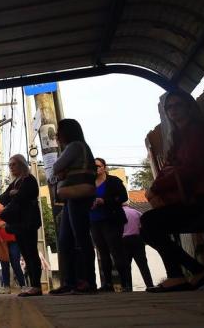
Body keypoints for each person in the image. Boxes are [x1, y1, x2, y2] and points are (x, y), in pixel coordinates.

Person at [141, 90, 204, 292]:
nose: (173, 110)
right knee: (148, 224)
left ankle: (181, 275)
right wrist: (154, 189)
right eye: (169, 107)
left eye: (178, 105)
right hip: (194, 200)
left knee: (150, 224)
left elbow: (191, 168)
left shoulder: (198, 132)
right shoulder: (178, 137)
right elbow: (169, 168)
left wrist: (157, 188)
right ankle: (194, 272)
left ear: (189, 107)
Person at [49, 119, 98, 295]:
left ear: (66, 132)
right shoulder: (78, 147)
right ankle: (69, 282)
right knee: (65, 240)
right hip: (72, 196)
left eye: (59, 131)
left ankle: (87, 281)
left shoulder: (75, 146)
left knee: (80, 238)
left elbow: (56, 167)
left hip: (78, 195)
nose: (56, 136)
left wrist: (61, 171)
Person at [0, 154, 43, 297]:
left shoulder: (29, 179)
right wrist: (14, 193)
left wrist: (15, 194)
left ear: (21, 164)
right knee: (26, 254)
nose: (11, 167)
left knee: (31, 253)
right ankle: (32, 285)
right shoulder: (15, 182)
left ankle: (36, 285)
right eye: (10, 165)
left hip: (28, 222)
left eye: (14, 164)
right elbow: (2, 198)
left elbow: (27, 195)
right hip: (17, 223)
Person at [89, 157, 130, 292]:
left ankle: (126, 283)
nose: (95, 169)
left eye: (98, 166)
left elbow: (123, 197)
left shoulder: (113, 181)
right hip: (95, 221)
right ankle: (108, 284)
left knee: (116, 251)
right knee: (103, 253)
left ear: (104, 167)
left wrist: (104, 201)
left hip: (111, 220)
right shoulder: (89, 184)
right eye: (92, 166)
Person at [0, 199, 25, 293]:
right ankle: (6, 287)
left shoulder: (10, 213)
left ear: (2, 205)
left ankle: (23, 285)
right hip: (1, 243)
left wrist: (3, 223)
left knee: (15, 263)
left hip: (13, 241)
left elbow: (15, 220)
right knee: (4, 265)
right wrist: (2, 223)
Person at [122, 204, 154, 289]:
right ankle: (149, 285)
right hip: (137, 239)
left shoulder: (118, 213)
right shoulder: (136, 212)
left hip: (124, 240)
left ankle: (128, 287)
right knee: (143, 264)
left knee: (126, 266)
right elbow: (142, 225)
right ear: (128, 205)